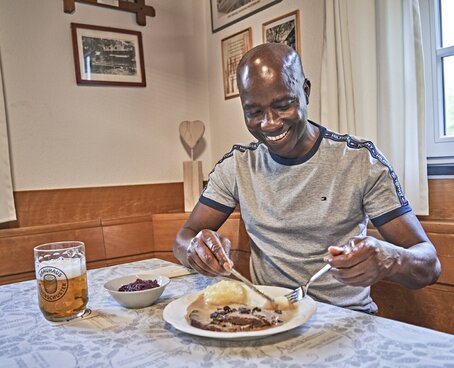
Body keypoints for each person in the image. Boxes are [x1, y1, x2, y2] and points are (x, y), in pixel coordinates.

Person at [173, 43, 441, 313]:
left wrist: (391, 259)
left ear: (305, 91)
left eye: (283, 105)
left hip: (346, 322)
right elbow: (184, 238)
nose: (270, 123)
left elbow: (429, 264)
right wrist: (195, 250)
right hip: (269, 319)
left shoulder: (359, 160)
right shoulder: (238, 165)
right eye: (254, 112)